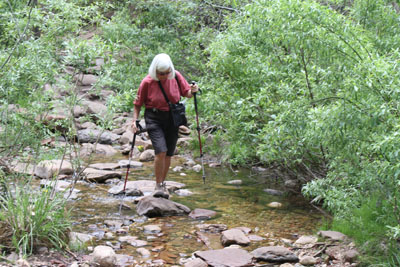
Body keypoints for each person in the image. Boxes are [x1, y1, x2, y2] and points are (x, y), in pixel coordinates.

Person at [131, 53, 198, 198]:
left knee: (169, 152)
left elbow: (186, 93)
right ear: (155, 71)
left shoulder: (176, 76)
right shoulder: (147, 82)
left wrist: (192, 91)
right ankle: (158, 185)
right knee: (160, 150)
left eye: (167, 73)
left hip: (172, 117)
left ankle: (163, 183)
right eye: (161, 74)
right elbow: (137, 104)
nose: (164, 76)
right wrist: (134, 121)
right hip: (154, 117)